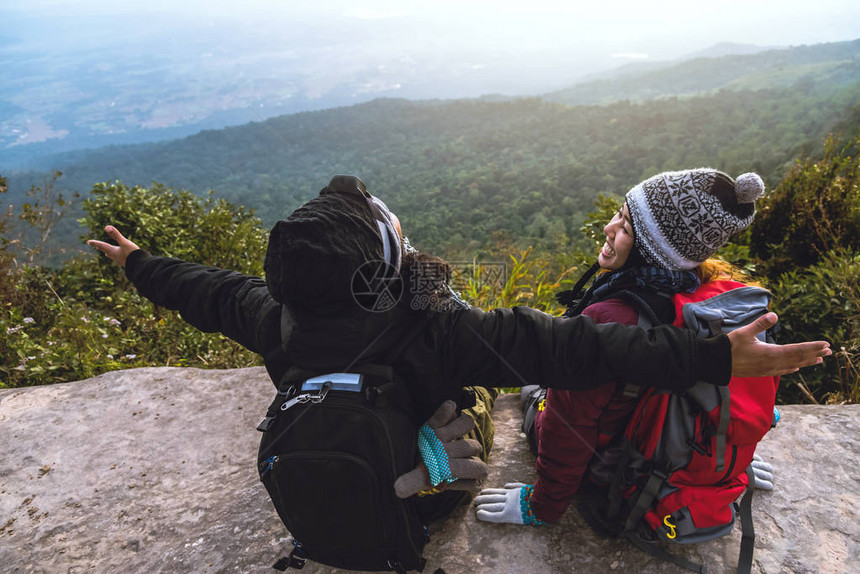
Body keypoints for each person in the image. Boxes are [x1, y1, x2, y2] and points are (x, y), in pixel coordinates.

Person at [88, 175, 827, 524]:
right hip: (430, 495)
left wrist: (138, 264)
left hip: (338, 465)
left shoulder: (275, 316)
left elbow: (210, 290)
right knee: (479, 389)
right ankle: (440, 455)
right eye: (395, 236)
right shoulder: (446, 331)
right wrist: (715, 360)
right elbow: (586, 351)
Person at [475, 168, 784, 526]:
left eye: (624, 226)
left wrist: (542, 505)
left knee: (534, 385)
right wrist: (728, 461)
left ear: (651, 249)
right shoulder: (719, 304)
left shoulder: (610, 318)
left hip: (616, 467)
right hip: (674, 457)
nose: (609, 228)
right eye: (619, 214)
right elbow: (746, 395)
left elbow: (566, 426)